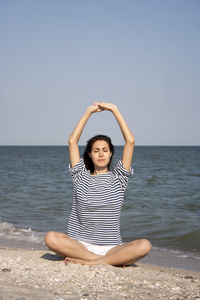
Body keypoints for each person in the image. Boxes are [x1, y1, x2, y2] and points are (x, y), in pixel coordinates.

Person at [44, 102, 152, 266]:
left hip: (111, 247)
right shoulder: (80, 176)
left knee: (145, 245)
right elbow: (72, 141)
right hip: (79, 245)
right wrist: (88, 112)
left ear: (110, 153)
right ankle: (103, 261)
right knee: (50, 238)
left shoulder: (120, 178)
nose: (101, 154)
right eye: (96, 150)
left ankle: (91, 262)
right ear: (90, 154)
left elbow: (130, 141)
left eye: (105, 150)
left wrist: (114, 110)